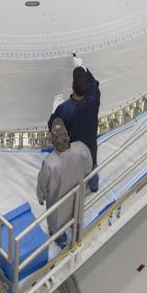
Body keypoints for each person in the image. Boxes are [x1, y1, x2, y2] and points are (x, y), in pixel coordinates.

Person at [36, 118, 92, 249]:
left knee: (56, 222)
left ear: (53, 141)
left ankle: (60, 240)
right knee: (77, 212)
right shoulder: (81, 148)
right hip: (78, 194)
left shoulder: (49, 164)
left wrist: (41, 198)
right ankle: (77, 230)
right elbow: (89, 167)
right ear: (68, 135)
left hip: (58, 203)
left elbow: (42, 185)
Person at [49, 57, 101, 192]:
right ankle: (94, 187)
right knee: (93, 166)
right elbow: (94, 84)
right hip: (91, 147)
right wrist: (84, 69)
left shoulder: (65, 109)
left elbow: (53, 127)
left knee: (77, 175)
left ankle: (78, 196)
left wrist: (54, 111)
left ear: (72, 86)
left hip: (75, 153)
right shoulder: (93, 99)